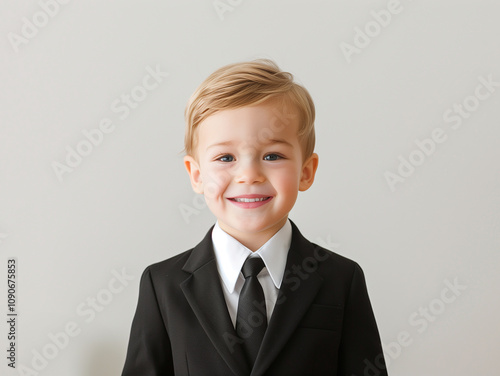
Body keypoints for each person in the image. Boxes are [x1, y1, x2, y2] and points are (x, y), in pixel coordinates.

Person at [121, 59, 388, 376]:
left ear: (306, 171)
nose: (248, 175)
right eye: (225, 157)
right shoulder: (162, 284)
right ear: (196, 175)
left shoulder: (342, 278)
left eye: (272, 156)